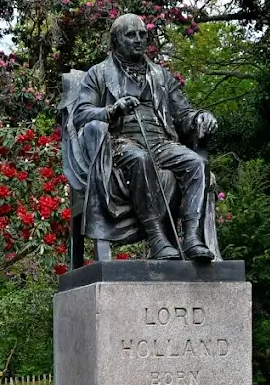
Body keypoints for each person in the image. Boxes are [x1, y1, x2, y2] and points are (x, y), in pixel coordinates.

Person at [69, 14, 218, 262]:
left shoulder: (160, 76)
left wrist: (200, 117)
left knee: (196, 164)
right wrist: (112, 110)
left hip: (161, 141)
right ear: (116, 40)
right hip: (120, 143)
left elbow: (183, 113)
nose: (138, 40)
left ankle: (192, 237)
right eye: (131, 35)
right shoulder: (99, 74)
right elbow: (81, 114)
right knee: (140, 159)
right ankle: (156, 237)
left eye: (142, 35)